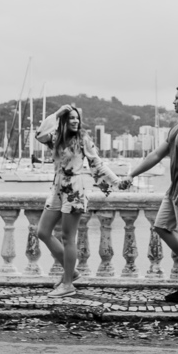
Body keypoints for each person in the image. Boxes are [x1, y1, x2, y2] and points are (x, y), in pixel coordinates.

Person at [119, 84, 178, 303]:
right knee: (161, 226)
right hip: (175, 188)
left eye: (177, 97)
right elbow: (156, 155)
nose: (173, 101)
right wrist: (131, 175)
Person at [34, 104, 119, 297]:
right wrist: (57, 113)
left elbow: (97, 162)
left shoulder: (83, 138)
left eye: (77, 118)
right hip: (57, 188)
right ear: (63, 120)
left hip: (75, 189)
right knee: (43, 232)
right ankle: (71, 271)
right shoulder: (55, 138)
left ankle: (68, 284)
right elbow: (39, 134)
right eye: (70, 117)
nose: (75, 121)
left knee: (67, 238)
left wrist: (116, 181)